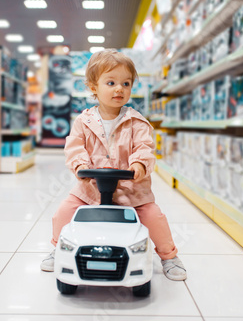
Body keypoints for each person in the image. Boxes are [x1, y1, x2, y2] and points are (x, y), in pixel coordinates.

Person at [40, 49, 187, 281]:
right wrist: (80, 165)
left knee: (154, 217)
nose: (119, 88)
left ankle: (169, 256)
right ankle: (58, 247)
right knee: (63, 213)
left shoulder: (137, 122)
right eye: (111, 82)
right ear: (93, 87)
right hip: (89, 189)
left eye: (126, 83)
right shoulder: (83, 122)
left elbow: (145, 148)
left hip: (132, 190)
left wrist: (139, 164)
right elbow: (74, 146)